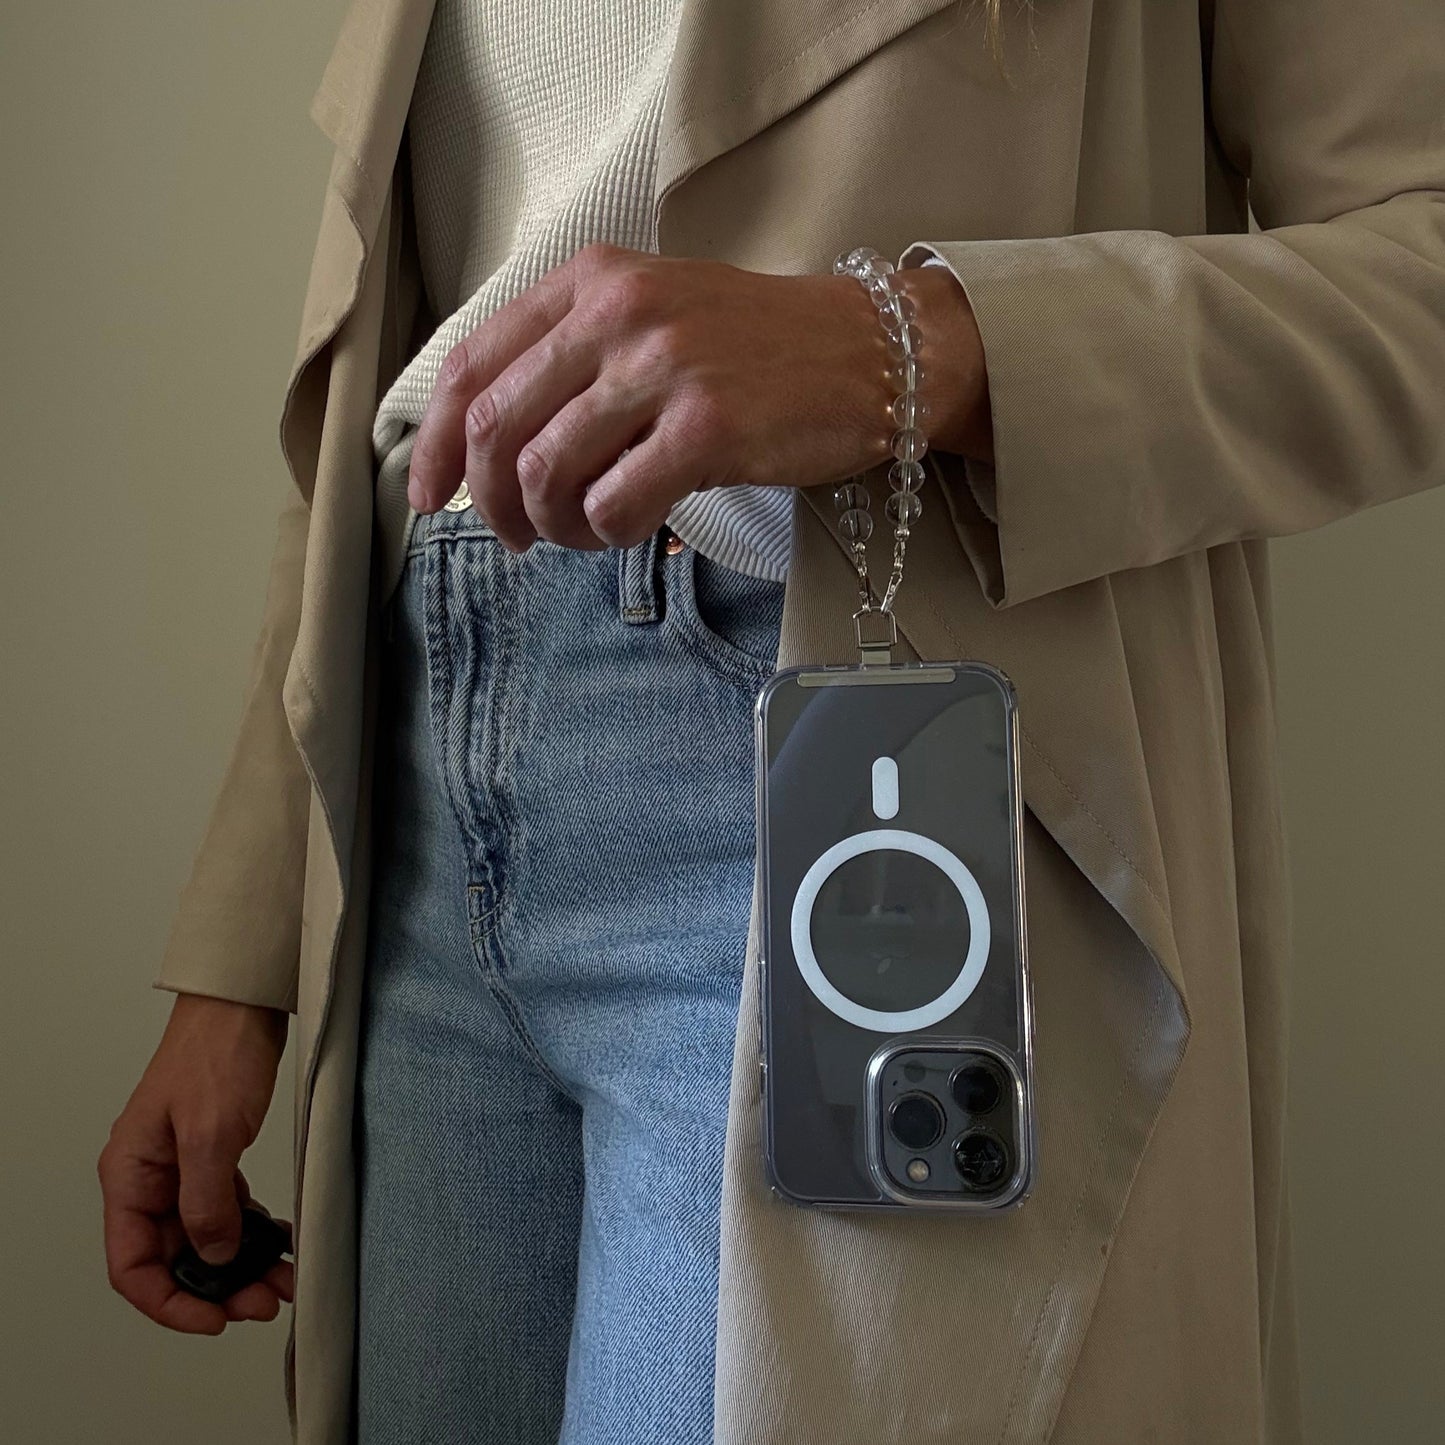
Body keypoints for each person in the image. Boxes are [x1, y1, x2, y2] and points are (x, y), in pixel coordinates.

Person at [99, 1, 1445, 1441]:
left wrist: (909, 343)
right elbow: (383, 365)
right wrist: (240, 959)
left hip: (829, 758)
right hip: (418, 797)